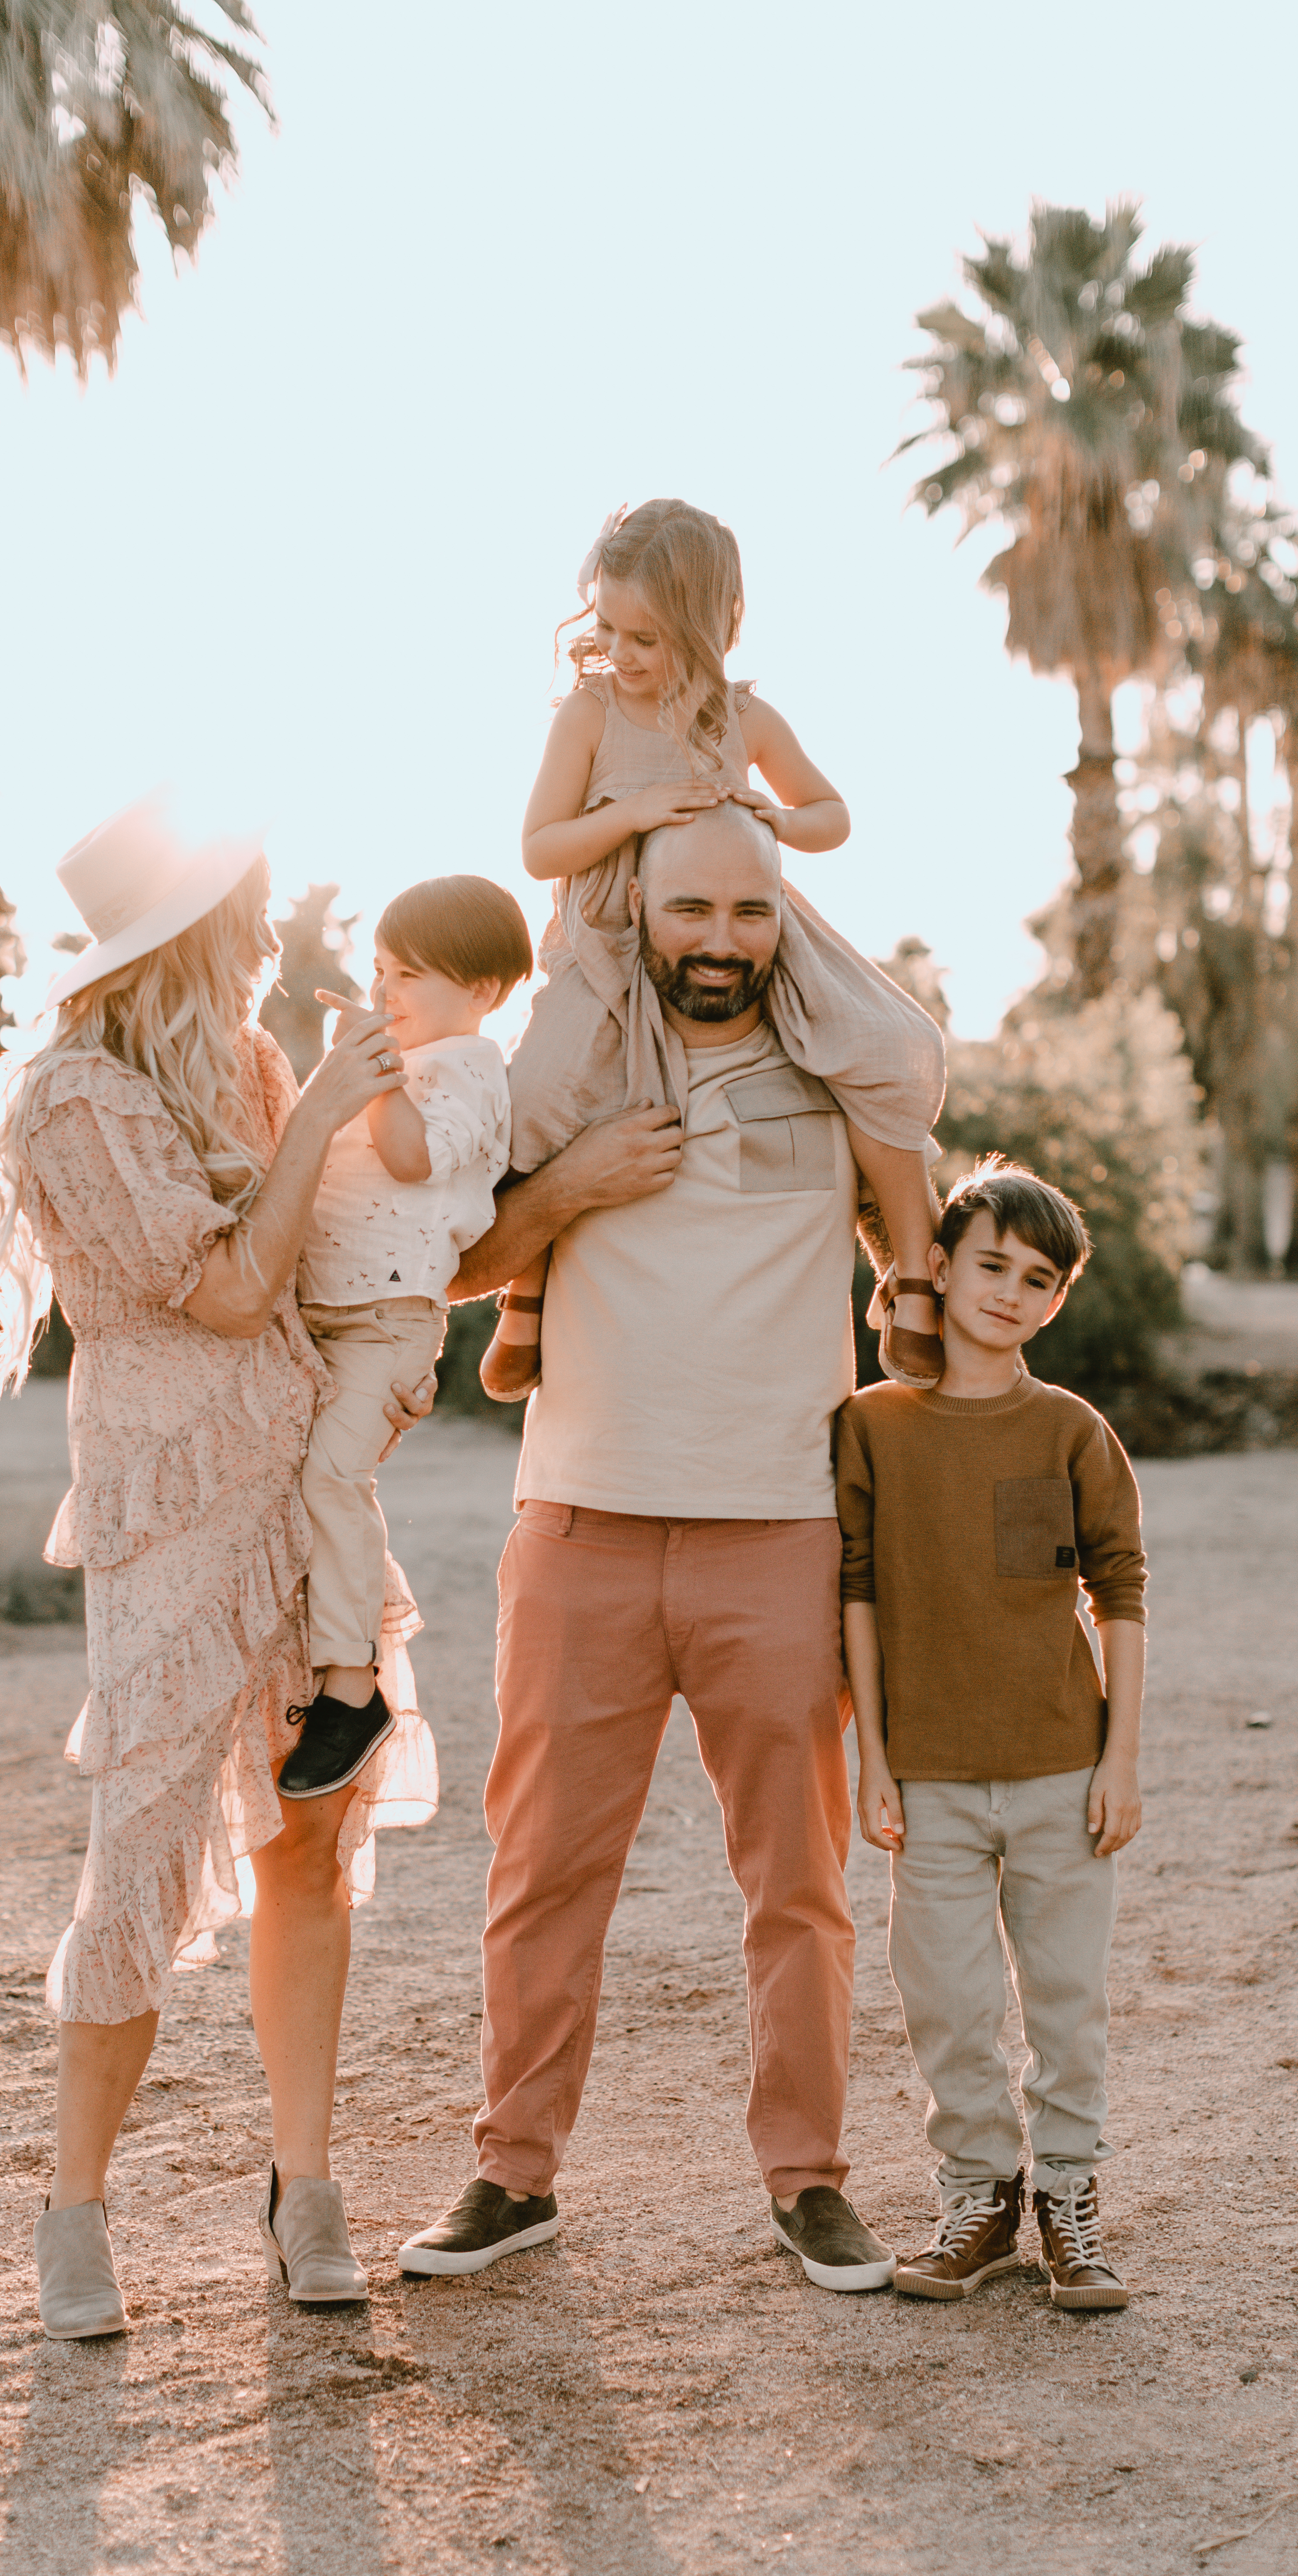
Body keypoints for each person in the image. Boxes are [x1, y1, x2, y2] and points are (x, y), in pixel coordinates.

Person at [0, 789, 438, 2339]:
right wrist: (305, 1128)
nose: (262, 946)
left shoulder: (248, 1065)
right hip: (171, 1513)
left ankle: (306, 2188)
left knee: (311, 1834)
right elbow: (224, 1293)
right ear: (188, 935)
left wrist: (389, 1360)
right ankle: (73, 2211)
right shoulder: (72, 1102)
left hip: (293, 1489)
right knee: (146, 1848)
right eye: (243, 921)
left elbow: (311, 1266)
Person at [399, 799, 898, 2293]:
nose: (723, 943)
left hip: (785, 1534)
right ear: (640, 912)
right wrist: (573, 1185)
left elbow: (923, 1243)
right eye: (693, 913)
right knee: (545, 1872)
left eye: (752, 915)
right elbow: (463, 1255)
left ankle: (808, 2179)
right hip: (582, 1528)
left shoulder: (838, 1076)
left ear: (786, 921)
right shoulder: (575, 1075)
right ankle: (513, 2172)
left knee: (798, 1886)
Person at [478, 496, 947, 1401]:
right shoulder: (590, 714)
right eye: (609, 628)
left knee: (888, 1045)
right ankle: (525, 1292)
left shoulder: (745, 720)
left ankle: (914, 1276)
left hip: (743, 920)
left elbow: (832, 815)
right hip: (615, 933)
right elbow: (538, 847)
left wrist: (774, 819)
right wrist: (632, 814)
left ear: (711, 624)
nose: (621, 652)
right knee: (541, 1089)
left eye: (645, 637)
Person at [836, 1162, 1148, 2313]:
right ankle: (980, 2194)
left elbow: (1120, 1592)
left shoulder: (1070, 1429)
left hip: (1066, 1770)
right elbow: (856, 1594)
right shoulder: (871, 1429)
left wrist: (1121, 1758)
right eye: (991, 1266)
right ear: (941, 1267)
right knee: (948, 2001)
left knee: (1067, 1997)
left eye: (1038, 1279)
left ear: (1057, 1300)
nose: (1010, 1293)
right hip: (931, 1777)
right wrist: (874, 1754)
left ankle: (1070, 2196)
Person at [285, 876, 531, 1795]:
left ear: (481, 991)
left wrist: (372, 1073)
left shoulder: (467, 1065)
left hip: (386, 1320)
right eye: (381, 971)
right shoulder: (415, 1060)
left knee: (331, 1476)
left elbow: (412, 1156)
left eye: (411, 977)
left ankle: (351, 1689)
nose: (386, 993)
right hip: (330, 1313)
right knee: (306, 1478)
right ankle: (323, 1661)